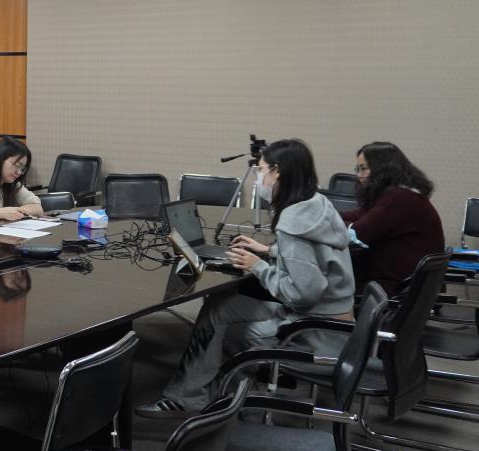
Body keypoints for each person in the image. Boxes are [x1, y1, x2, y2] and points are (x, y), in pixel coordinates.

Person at [137, 138, 354, 417]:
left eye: (261, 170)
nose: (259, 178)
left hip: (313, 333)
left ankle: (202, 398)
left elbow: (303, 294)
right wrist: (269, 251)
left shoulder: (293, 222)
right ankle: (205, 392)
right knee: (218, 307)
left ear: (278, 171)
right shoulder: (316, 204)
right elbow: (313, 259)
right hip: (334, 322)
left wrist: (258, 266)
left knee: (218, 332)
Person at [343, 142, 444, 294]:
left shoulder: (399, 198)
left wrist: (321, 224)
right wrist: (325, 215)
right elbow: (359, 215)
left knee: (327, 290)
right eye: (358, 169)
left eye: (364, 169)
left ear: (382, 168)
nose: (359, 175)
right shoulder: (403, 194)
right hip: (405, 283)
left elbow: (356, 234)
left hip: (396, 288)